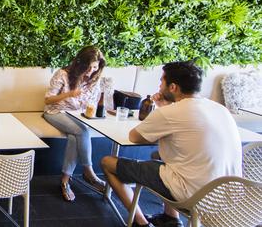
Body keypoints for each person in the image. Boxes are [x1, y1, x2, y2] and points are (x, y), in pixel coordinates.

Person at [101, 61, 242, 227]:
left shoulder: (171, 112)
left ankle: (140, 223)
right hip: (230, 197)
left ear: (173, 87)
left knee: (107, 162)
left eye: (162, 81)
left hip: (194, 196)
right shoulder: (219, 109)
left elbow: (134, 137)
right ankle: (171, 218)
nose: (160, 86)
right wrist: (166, 108)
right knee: (161, 156)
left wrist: (163, 110)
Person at [43, 45, 107, 202]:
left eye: (95, 67)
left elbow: (92, 102)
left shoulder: (94, 79)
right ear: (80, 64)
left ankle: (65, 180)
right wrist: (69, 94)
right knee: (83, 132)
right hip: (55, 112)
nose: (91, 71)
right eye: (89, 67)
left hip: (78, 116)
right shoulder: (63, 74)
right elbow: (48, 99)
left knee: (74, 136)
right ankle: (89, 171)